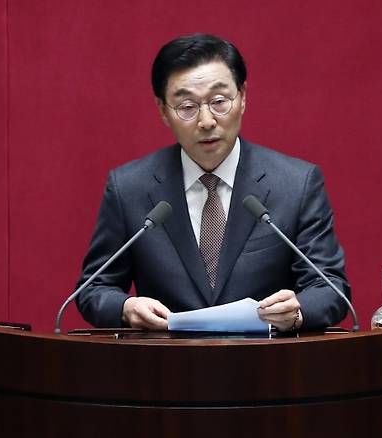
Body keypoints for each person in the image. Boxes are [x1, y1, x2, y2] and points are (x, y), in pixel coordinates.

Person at [76, 33, 350, 332]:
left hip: (268, 358)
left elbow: (330, 288)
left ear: (242, 97)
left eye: (219, 102)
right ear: (163, 111)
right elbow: (94, 288)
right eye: (187, 107)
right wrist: (126, 308)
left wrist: (297, 312)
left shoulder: (296, 184)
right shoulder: (129, 188)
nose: (206, 121)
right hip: (164, 358)